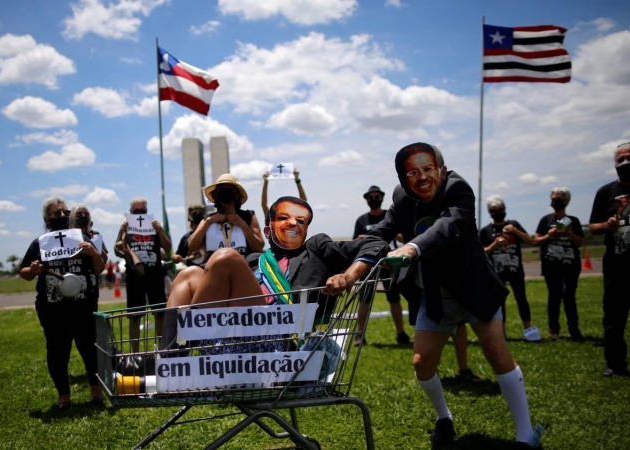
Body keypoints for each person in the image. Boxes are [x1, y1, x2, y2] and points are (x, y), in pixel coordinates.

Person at [369, 143, 541, 448]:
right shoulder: (401, 199)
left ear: (442, 170)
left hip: (474, 290)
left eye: (428, 169)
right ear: (403, 178)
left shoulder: (458, 188)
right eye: (412, 172)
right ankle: (444, 418)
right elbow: (382, 231)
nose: (421, 177)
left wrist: (412, 247)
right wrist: (351, 252)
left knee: (496, 352)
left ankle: (526, 436)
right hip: (434, 294)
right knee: (422, 363)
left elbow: (449, 226)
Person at [160, 196, 389, 351]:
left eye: (300, 221)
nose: (292, 223)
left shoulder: (316, 249)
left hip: (280, 346)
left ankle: (170, 363)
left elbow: (375, 244)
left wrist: (348, 275)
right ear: (268, 231)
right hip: (231, 338)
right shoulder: (251, 261)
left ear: (306, 229)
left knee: (226, 257)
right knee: (188, 274)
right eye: (283, 218)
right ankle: (170, 360)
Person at [20, 197, 105, 409]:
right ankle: (64, 395)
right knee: (57, 350)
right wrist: (33, 269)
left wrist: (93, 252)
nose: (63, 216)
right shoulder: (39, 243)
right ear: (47, 220)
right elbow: (24, 272)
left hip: (83, 304)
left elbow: (98, 268)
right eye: (57, 213)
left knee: (89, 347)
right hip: (52, 307)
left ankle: (96, 390)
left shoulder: (82, 238)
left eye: (65, 213)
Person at [589, 141, 630, 377]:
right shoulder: (606, 192)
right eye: (620, 160)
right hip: (618, 266)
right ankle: (615, 363)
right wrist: (607, 225)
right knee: (614, 318)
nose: (625, 163)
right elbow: (593, 226)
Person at [353, 185, 416, 345]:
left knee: (394, 299)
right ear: (367, 199)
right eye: (371, 197)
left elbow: (405, 238)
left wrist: (392, 233)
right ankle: (359, 335)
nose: (374, 199)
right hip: (369, 263)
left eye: (377, 196)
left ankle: (401, 334)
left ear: (382, 197)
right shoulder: (361, 220)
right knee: (365, 300)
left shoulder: (392, 216)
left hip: (389, 262)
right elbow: (355, 242)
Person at [114, 197, 171, 352]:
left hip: (154, 274)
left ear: (147, 211)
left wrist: (159, 230)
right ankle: (135, 353)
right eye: (136, 210)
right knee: (135, 316)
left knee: (159, 313)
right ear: (131, 212)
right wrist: (122, 231)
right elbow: (117, 250)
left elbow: (168, 246)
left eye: (142, 210)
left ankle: (162, 349)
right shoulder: (127, 228)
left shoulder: (154, 226)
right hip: (134, 276)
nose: (139, 213)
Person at [479, 195, 538, 338]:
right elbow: (480, 252)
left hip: (515, 269)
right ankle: (502, 333)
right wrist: (495, 245)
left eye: (501, 209)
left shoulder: (514, 224)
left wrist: (515, 231)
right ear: (490, 212)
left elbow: (531, 241)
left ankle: (528, 330)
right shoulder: (486, 230)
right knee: (500, 303)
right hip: (497, 272)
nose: (498, 212)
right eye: (495, 210)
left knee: (521, 298)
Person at [533, 188, 584, 341]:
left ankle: (574, 329)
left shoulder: (573, 221)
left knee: (569, 296)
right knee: (554, 296)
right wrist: (549, 235)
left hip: (571, 264)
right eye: (553, 198)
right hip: (551, 265)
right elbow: (536, 240)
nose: (555, 201)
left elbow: (580, 242)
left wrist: (569, 233)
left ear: (566, 201)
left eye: (559, 199)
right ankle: (554, 330)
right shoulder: (545, 220)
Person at [188, 174, 264, 258]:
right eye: (221, 189)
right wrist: (208, 222)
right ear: (215, 194)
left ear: (237, 194)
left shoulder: (248, 216)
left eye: (230, 189)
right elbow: (192, 246)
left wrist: (243, 224)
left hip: (245, 266)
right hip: (217, 267)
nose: (225, 191)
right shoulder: (207, 219)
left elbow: (259, 248)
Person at [70, 204, 108, 312]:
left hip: (90, 285)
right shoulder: (68, 236)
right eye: (79, 214)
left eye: (85, 214)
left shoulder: (95, 235)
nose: (83, 216)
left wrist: (95, 246)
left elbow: (104, 258)